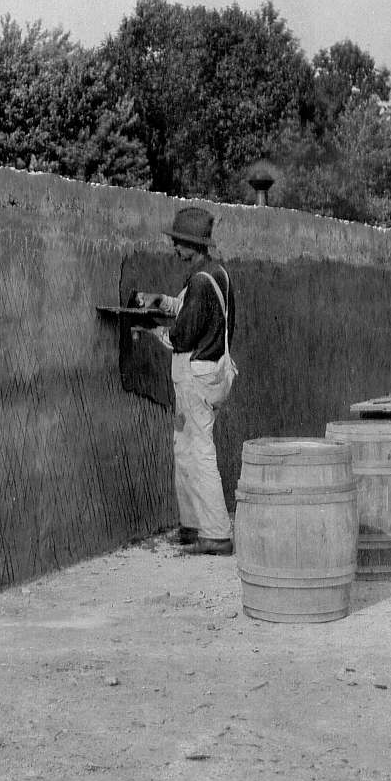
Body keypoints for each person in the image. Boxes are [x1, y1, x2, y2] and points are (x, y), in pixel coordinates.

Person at [148, 206, 238, 555]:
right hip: (213, 370)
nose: (174, 248)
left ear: (192, 245)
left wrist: (153, 330)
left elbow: (182, 336)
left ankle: (215, 533)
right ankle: (193, 526)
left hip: (196, 376)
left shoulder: (200, 281)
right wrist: (165, 303)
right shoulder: (216, 274)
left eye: (178, 243)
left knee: (198, 451)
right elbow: (195, 312)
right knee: (184, 447)